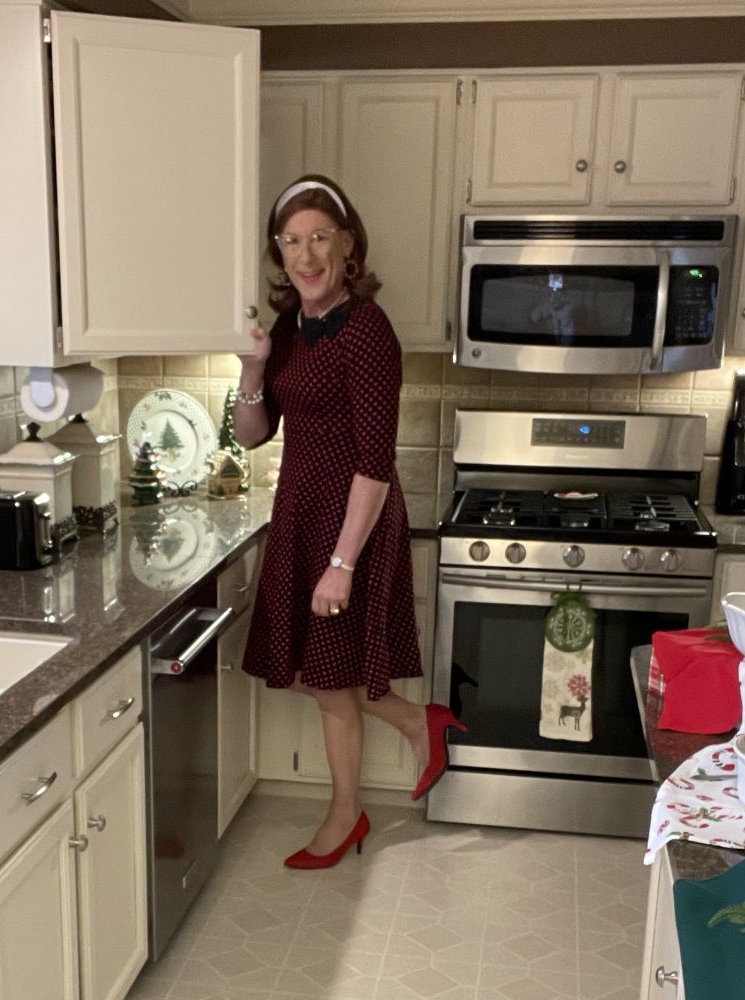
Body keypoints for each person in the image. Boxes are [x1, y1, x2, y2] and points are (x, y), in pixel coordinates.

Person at [233, 175, 466, 870]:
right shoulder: (287, 329)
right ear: (279, 252)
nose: (305, 256)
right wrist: (253, 369)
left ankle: (346, 812)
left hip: (352, 521)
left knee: (328, 672)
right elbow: (251, 435)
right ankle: (413, 728)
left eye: (319, 238)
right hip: (299, 511)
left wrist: (341, 564)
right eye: (291, 241)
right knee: (315, 669)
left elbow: (374, 461)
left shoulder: (367, 331)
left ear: (347, 245)